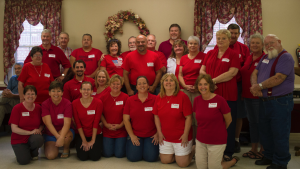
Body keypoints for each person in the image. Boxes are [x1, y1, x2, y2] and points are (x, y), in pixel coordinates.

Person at [250, 34, 294, 169]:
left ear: (279, 42)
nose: (269, 46)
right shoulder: (265, 57)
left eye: (272, 43)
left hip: (279, 102)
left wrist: (260, 86)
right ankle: (269, 156)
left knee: (279, 132)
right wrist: (255, 87)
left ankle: (281, 162)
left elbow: (279, 78)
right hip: (264, 101)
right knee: (265, 131)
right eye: (266, 44)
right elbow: (254, 73)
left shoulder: (285, 57)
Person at [200, 29, 240, 161]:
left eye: (223, 38)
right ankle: (211, 149)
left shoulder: (234, 54)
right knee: (212, 122)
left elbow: (232, 73)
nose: (220, 41)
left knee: (228, 123)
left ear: (229, 40)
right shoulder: (210, 53)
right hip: (210, 93)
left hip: (227, 93)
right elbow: (202, 70)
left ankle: (228, 151)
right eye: (218, 38)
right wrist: (209, 85)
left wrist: (212, 81)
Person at [193, 74, 239, 169]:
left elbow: (229, 119)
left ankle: (231, 162)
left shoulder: (220, 100)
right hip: (201, 140)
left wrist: (218, 129)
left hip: (217, 141)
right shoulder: (196, 100)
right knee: (201, 167)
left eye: (205, 84)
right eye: (200, 84)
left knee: (213, 167)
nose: (203, 87)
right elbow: (198, 119)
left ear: (210, 85)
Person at [153, 73, 194, 168]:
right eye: (166, 80)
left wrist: (185, 134)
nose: (168, 82)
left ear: (175, 83)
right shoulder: (159, 97)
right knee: (165, 160)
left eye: (171, 80)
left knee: (182, 164)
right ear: (162, 83)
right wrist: (159, 133)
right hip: (165, 136)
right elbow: (156, 116)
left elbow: (189, 117)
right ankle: (178, 154)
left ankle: (192, 150)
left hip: (181, 137)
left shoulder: (183, 96)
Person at [240, 33, 265, 159]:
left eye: (257, 43)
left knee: (261, 123)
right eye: (252, 43)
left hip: (259, 97)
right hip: (247, 96)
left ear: (262, 44)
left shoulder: (265, 58)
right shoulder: (249, 57)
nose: (254, 45)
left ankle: (263, 149)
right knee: (252, 123)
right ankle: (254, 148)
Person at [226, 24, 250, 153]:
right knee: (223, 112)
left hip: (239, 85)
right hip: (223, 84)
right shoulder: (221, 47)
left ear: (239, 34)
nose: (233, 35)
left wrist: (244, 90)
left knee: (239, 114)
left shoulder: (244, 48)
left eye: (236, 33)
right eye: (231, 33)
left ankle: (235, 140)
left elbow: (246, 69)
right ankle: (224, 139)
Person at [123, 76, 159, 162]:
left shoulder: (155, 99)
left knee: (151, 158)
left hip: (151, 134)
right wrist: (131, 135)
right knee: (133, 158)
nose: (142, 85)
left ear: (148, 86)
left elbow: (161, 117)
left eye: (144, 83)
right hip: (136, 134)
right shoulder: (130, 100)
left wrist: (158, 133)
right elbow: (126, 119)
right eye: (139, 84)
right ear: (136, 87)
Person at [178, 36, 206, 144]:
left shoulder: (204, 56)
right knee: (186, 116)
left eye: (195, 44)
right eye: (190, 43)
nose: (192, 46)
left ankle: (197, 142)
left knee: (197, 117)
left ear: (199, 45)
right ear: (187, 45)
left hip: (199, 91)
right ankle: (188, 141)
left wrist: (198, 86)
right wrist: (185, 86)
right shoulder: (184, 58)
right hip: (185, 91)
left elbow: (205, 73)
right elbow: (180, 74)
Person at [9, 85, 44, 165]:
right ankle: (24, 151)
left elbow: (42, 125)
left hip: (33, 138)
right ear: (24, 95)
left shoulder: (39, 108)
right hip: (19, 138)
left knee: (38, 139)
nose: (30, 96)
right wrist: (30, 132)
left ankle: (33, 151)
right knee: (24, 161)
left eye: (32, 94)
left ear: (36, 96)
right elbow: (14, 129)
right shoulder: (17, 108)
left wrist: (39, 130)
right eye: (28, 94)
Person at [42, 81, 74, 159]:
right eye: (53, 91)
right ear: (49, 93)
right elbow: (48, 123)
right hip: (50, 133)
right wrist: (57, 136)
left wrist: (62, 137)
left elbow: (67, 123)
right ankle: (49, 145)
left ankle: (66, 149)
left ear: (62, 93)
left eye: (58, 91)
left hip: (65, 131)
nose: (56, 94)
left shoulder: (67, 103)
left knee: (66, 137)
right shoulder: (45, 104)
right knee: (50, 156)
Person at [73, 81, 103, 161]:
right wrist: (84, 141)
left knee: (95, 157)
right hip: (81, 134)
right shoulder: (75, 103)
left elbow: (96, 122)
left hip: (95, 133)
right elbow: (78, 123)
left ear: (92, 91)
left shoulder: (98, 103)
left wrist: (92, 140)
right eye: (84, 89)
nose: (86, 91)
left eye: (88, 89)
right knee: (82, 157)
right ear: (80, 90)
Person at [99, 75, 128, 158]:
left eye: (118, 84)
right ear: (110, 85)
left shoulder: (125, 97)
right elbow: (100, 113)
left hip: (121, 130)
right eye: (113, 84)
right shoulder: (103, 97)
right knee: (107, 154)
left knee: (119, 154)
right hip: (107, 130)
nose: (115, 86)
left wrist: (120, 125)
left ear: (121, 85)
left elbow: (127, 115)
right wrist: (106, 124)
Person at [0, 63, 22, 127]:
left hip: (19, 101)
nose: (17, 70)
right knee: (1, 108)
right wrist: (5, 92)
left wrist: (12, 95)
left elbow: (25, 95)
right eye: (15, 69)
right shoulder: (13, 78)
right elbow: (8, 89)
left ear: (23, 69)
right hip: (10, 102)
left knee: (6, 98)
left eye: (19, 68)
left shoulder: (27, 79)